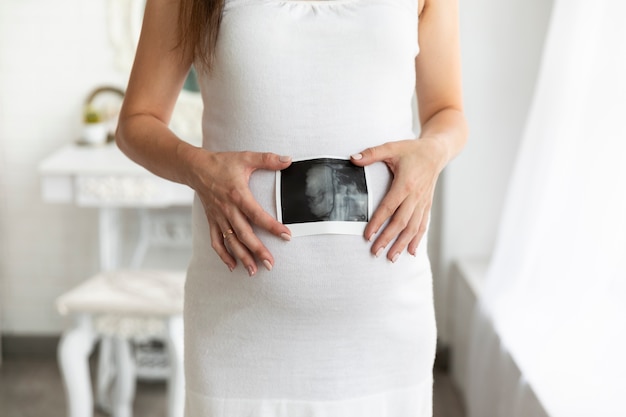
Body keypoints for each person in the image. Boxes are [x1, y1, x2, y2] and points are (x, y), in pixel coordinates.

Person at [116, 0, 467, 415]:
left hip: (384, 330)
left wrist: (432, 153)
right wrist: (199, 168)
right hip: (240, 334)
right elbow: (136, 121)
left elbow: (448, 112)